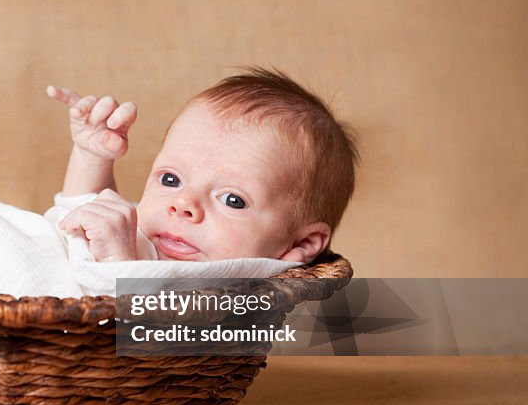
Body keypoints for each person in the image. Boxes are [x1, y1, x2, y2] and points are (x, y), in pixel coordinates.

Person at [47, 67, 358, 264]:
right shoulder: (151, 233)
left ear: (302, 243)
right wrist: (91, 156)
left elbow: (151, 331)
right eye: (170, 180)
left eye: (233, 200)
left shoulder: (227, 293)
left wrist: (120, 264)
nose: (183, 204)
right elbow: (83, 212)